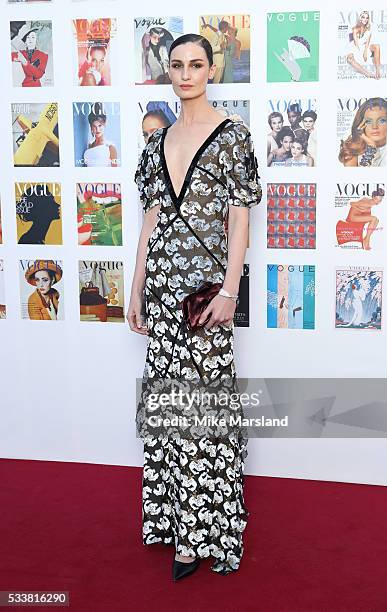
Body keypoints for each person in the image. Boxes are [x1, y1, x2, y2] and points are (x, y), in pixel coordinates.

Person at [127, 33, 262, 581]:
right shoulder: (154, 145)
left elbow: (238, 221)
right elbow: (150, 225)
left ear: (212, 69)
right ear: (168, 71)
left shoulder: (233, 138)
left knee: (205, 414)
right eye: (177, 65)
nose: (186, 74)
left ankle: (209, 529)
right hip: (160, 298)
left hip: (204, 299)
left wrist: (230, 290)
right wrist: (134, 289)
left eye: (196, 65)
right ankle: (176, 524)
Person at [338, 97, 387, 167]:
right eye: (368, 121)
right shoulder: (352, 150)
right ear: (361, 124)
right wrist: (371, 146)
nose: (374, 127)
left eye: (382, 121)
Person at [346, 10, 381, 79]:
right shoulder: (355, 29)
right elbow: (356, 44)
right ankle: (368, 74)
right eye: (363, 17)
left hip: (364, 46)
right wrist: (360, 54)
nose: (365, 19)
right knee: (349, 58)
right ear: (360, 18)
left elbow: (367, 42)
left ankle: (378, 71)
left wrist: (365, 52)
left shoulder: (369, 29)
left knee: (377, 46)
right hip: (355, 46)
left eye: (367, 18)